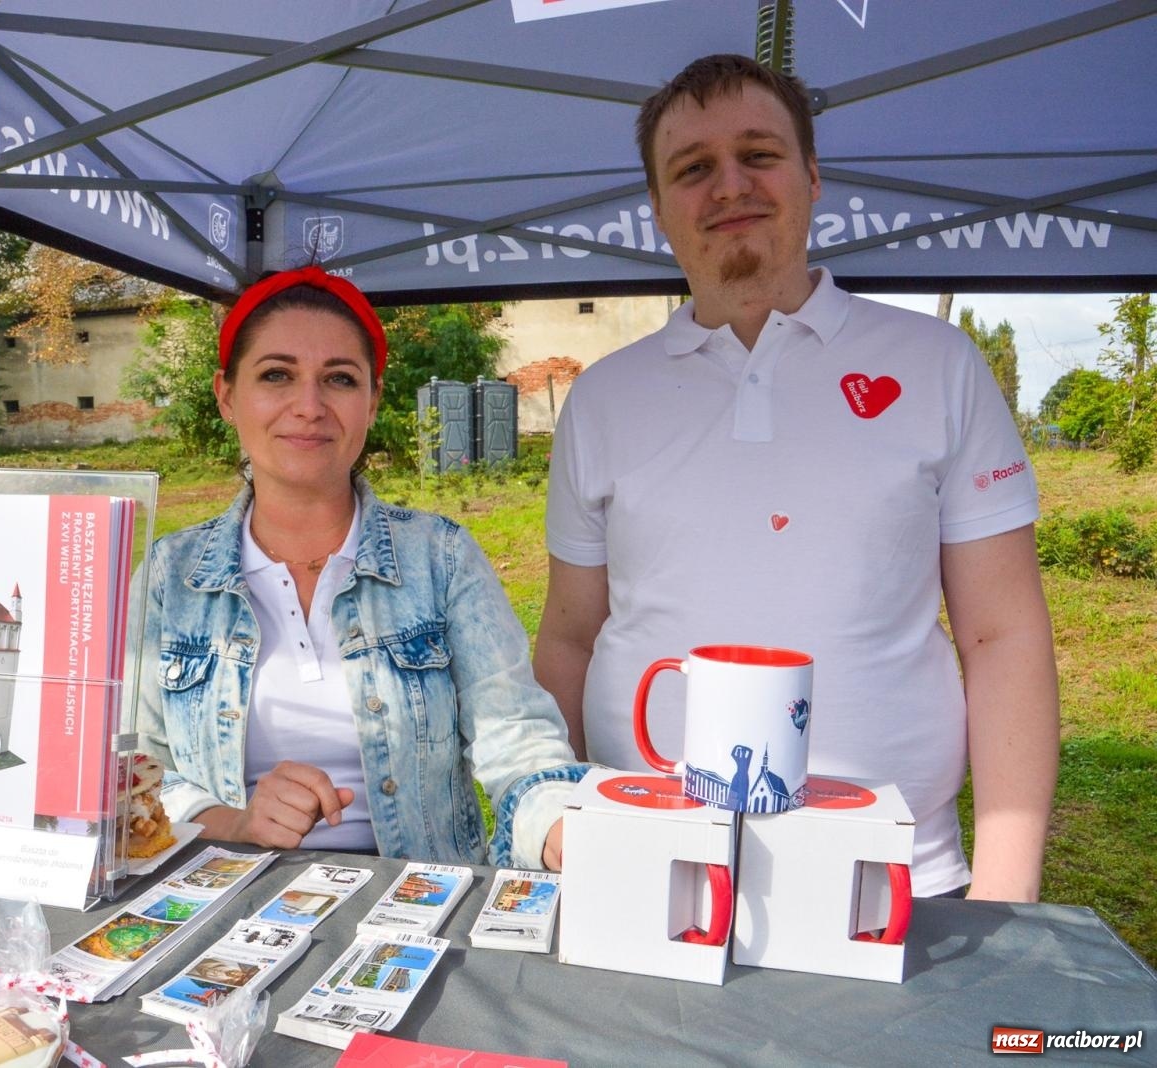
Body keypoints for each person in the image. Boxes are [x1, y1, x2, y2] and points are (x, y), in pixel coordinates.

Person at [533, 54, 1058, 902]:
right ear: (660, 211)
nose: (729, 185)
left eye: (759, 154)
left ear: (813, 178)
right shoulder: (600, 399)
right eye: (693, 169)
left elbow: (1003, 637)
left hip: (891, 881)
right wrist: (554, 821)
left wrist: (1006, 891)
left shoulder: (937, 367)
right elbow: (569, 639)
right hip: (647, 873)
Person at [135, 266, 589, 870]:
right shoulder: (172, 574)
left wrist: (556, 825)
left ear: (372, 401)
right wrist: (236, 821)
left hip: (416, 904)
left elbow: (518, 738)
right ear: (226, 396)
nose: (309, 406)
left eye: (339, 379)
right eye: (276, 375)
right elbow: (133, 766)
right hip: (225, 898)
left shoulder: (442, 558)